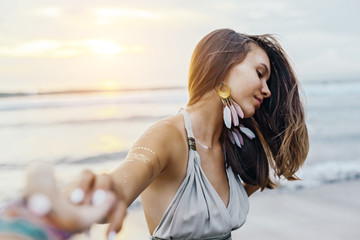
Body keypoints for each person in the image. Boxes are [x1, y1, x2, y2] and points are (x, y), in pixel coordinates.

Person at [0, 28, 309, 240]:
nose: (267, 90)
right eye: (259, 73)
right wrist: (76, 201)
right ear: (223, 65)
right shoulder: (167, 136)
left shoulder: (238, 150)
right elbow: (123, 181)